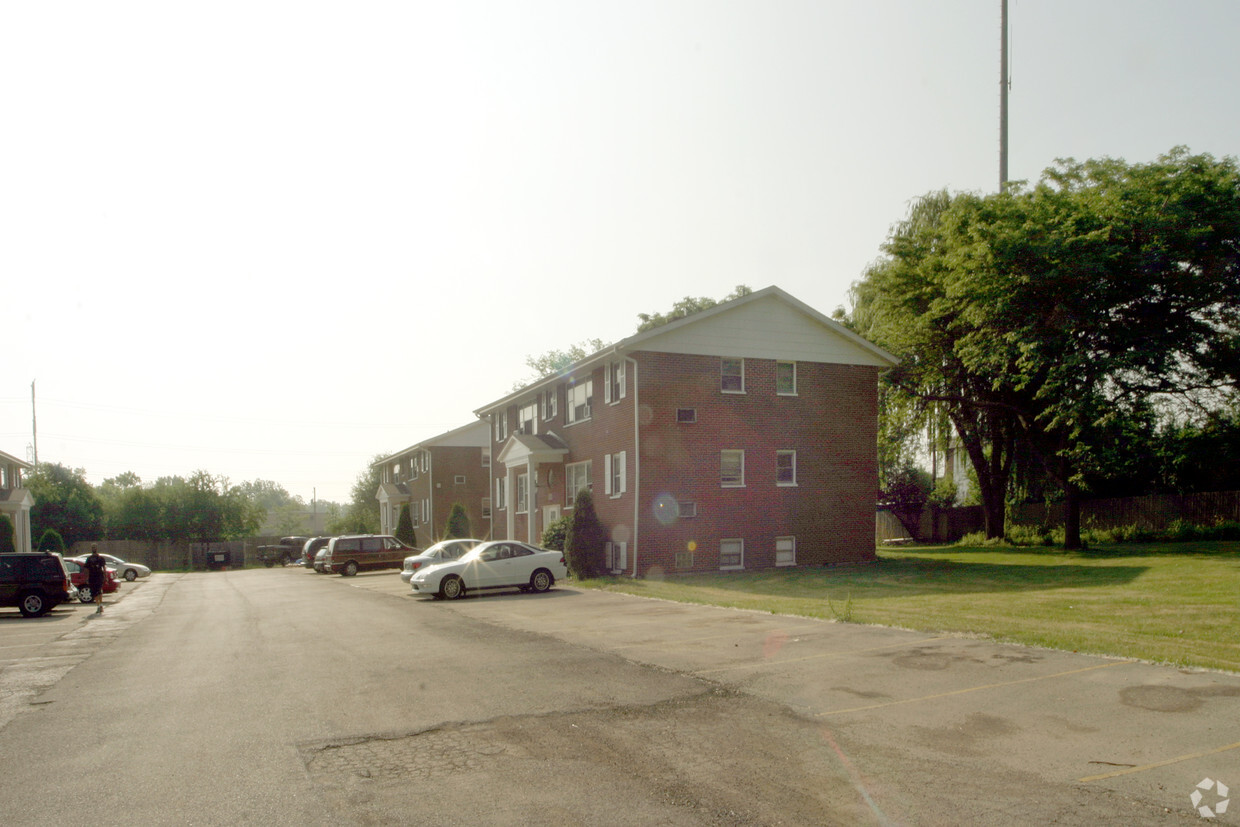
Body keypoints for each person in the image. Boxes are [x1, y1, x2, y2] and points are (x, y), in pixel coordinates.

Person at [84, 543, 107, 615]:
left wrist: (105, 576)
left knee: (99, 591)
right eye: (92, 547)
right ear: (91, 549)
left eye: (94, 547)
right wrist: (87, 578)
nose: (94, 548)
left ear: (96, 548)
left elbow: (104, 568)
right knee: (95, 592)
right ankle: (99, 605)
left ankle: (100, 605)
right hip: (92, 577)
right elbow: (86, 569)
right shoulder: (89, 559)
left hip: (99, 576)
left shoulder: (100, 558)